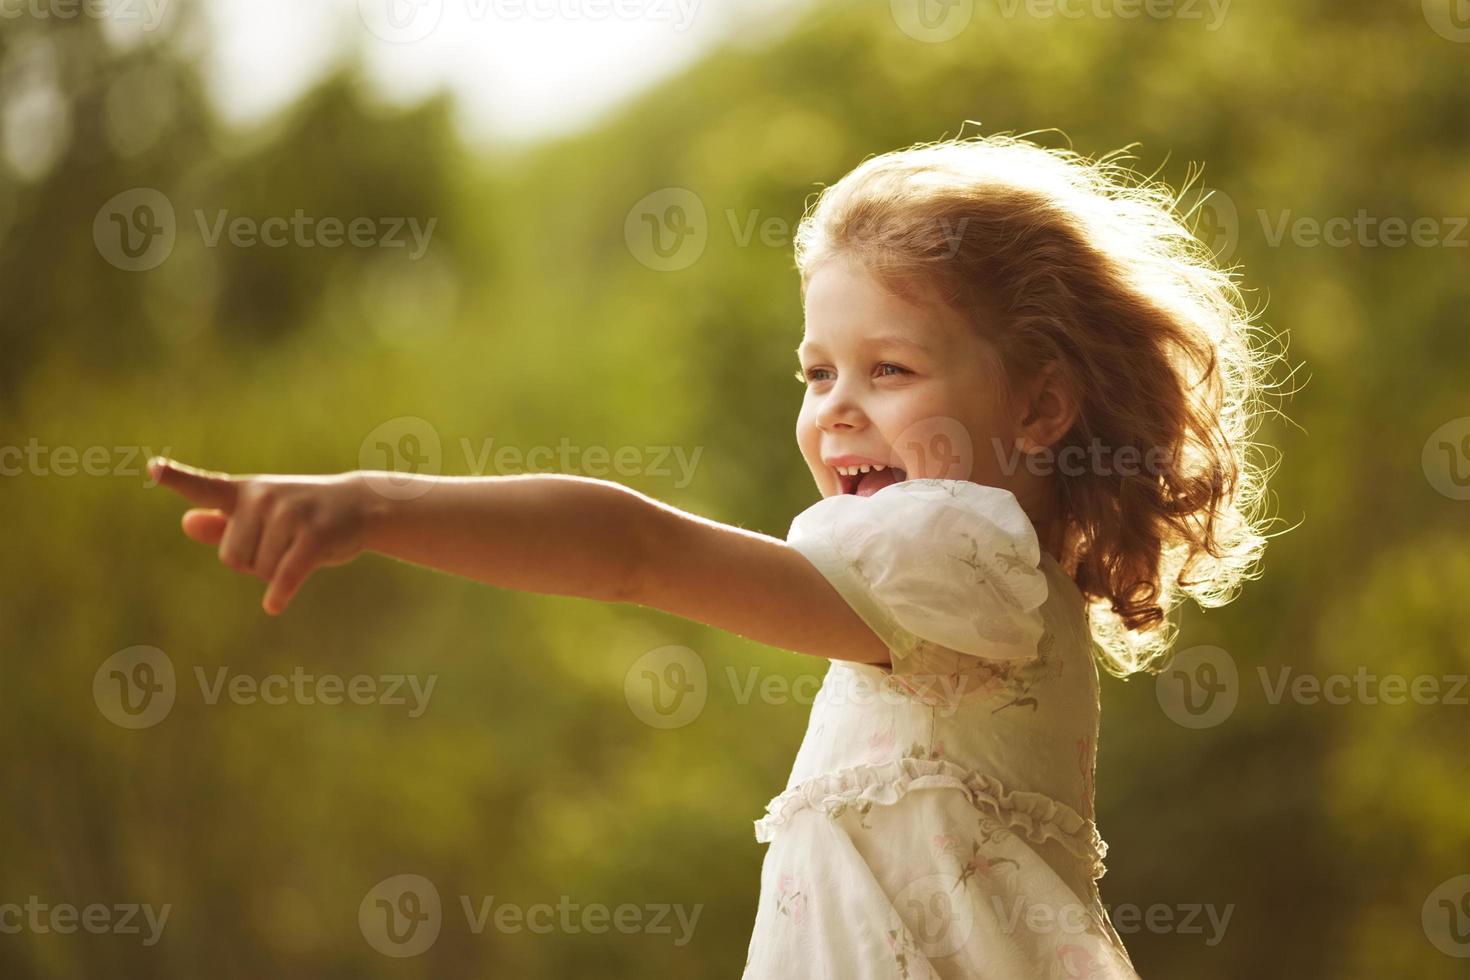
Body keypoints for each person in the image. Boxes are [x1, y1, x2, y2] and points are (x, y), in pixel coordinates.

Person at [149, 132, 1279, 978]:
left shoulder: (956, 550)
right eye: (816, 371)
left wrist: (378, 503)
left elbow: (635, 550)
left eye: (891, 370)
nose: (837, 408)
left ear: (1038, 405)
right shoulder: (979, 579)